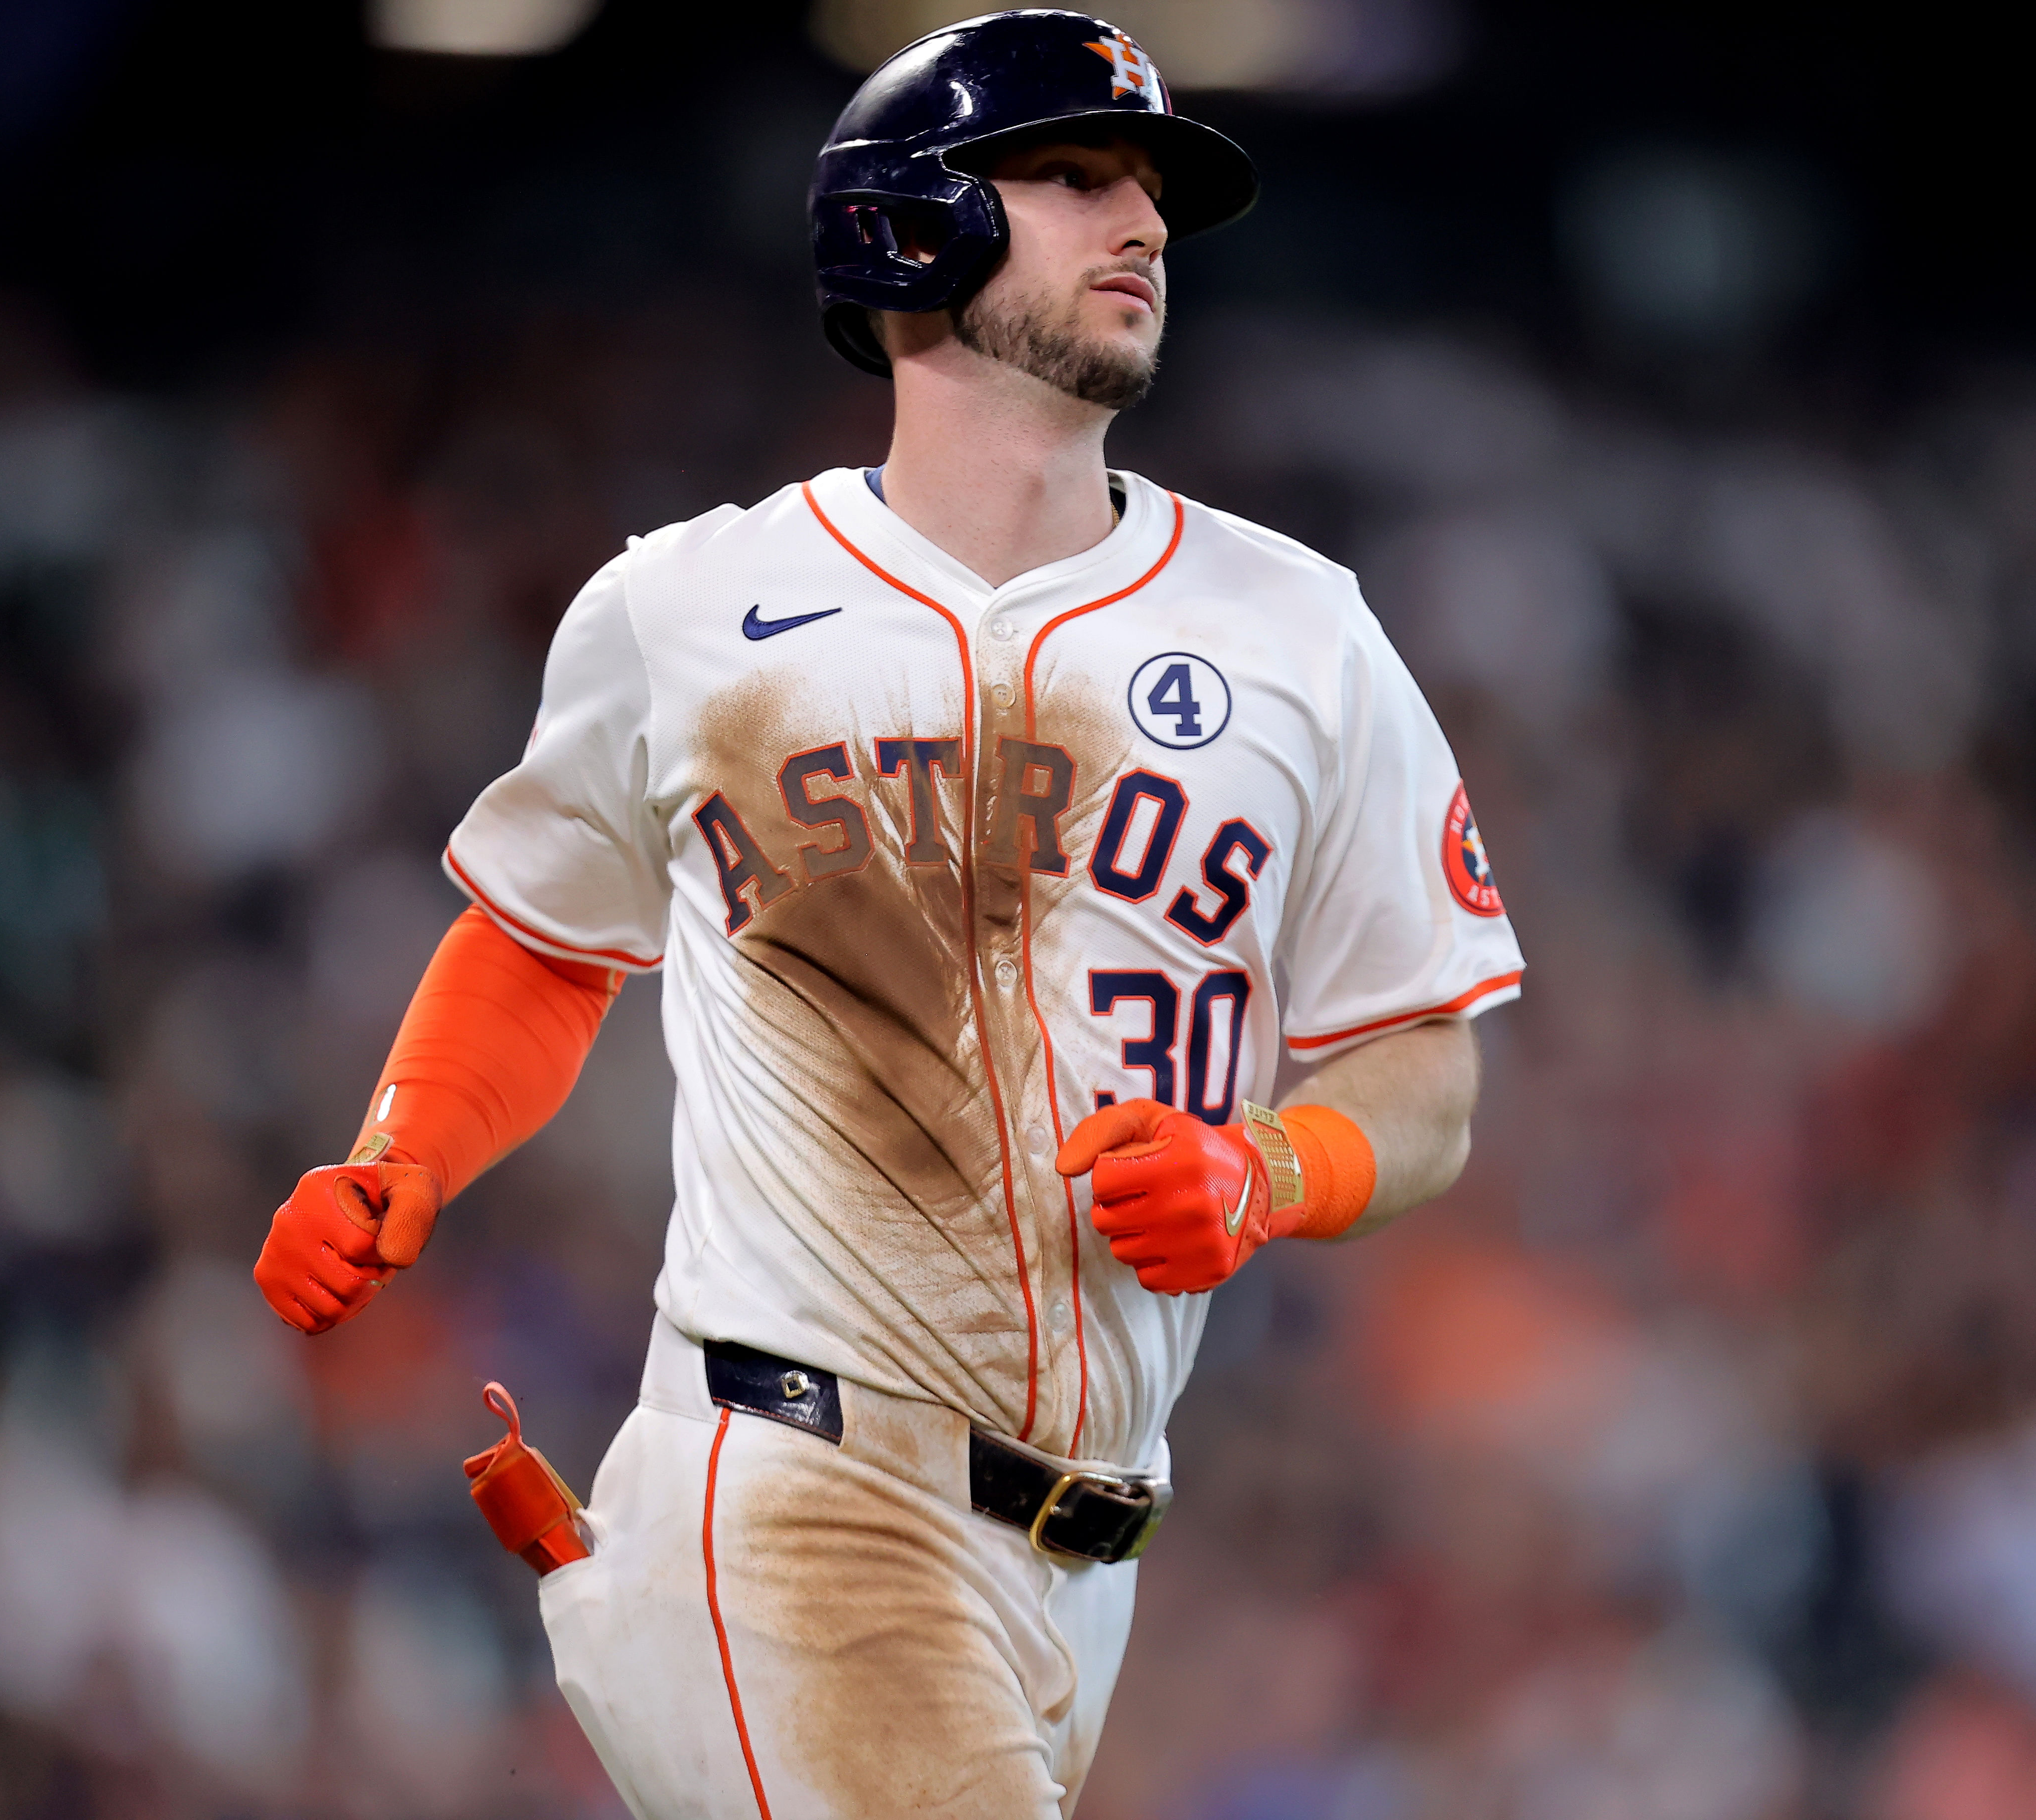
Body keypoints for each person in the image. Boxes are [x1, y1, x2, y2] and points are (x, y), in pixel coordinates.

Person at [251, 11, 1523, 1816]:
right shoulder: (689, 605)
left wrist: (1275, 1168)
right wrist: (406, 1152)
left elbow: (1426, 1067)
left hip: (1084, 1561)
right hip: (796, 1484)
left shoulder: (1302, 630)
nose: (1141, 221)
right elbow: (545, 934)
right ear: (908, 225)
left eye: (1152, 185)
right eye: (1076, 175)